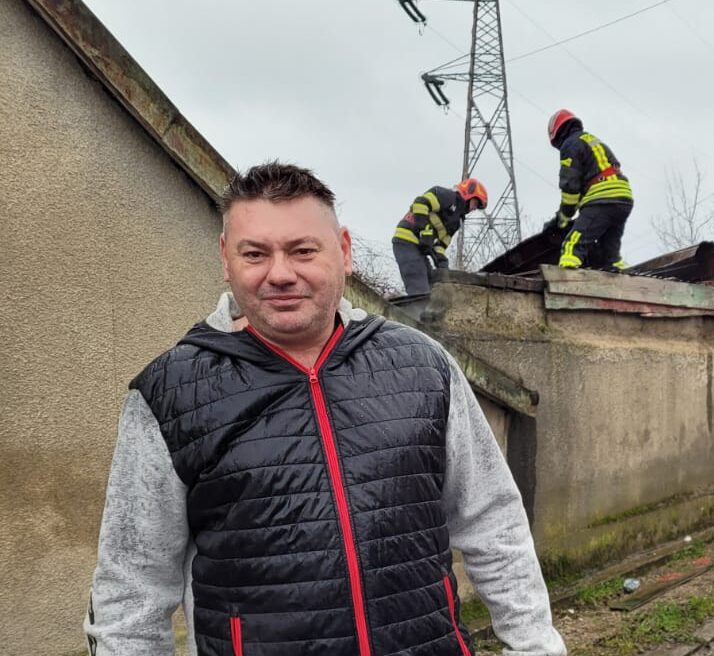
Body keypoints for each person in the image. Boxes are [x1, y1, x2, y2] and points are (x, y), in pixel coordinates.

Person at [84, 162, 564, 656]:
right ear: (226, 260)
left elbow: (493, 521)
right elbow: (130, 594)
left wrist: (535, 645)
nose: (281, 274)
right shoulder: (170, 393)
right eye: (255, 254)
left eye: (303, 250)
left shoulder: (424, 364)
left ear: (345, 252)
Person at [543, 109, 634, 270]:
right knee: (610, 255)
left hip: (603, 198)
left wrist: (561, 220)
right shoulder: (591, 140)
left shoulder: (570, 145)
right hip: (623, 198)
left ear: (557, 135)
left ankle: (566, 282)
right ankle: (624, 277)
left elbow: (571, 188)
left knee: (572, 247)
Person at [393, 178, 487, 295]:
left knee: (431, 282)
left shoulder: (457, 220)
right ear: (469, 194)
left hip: (419, 247)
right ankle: (414, 310)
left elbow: (442, 243)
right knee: (418, 282)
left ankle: (422, 310)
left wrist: (441, 261)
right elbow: (420, 203)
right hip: (406, 240)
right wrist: (425, 232)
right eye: (475, 203)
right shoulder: (446, 196)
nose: (474, 208)